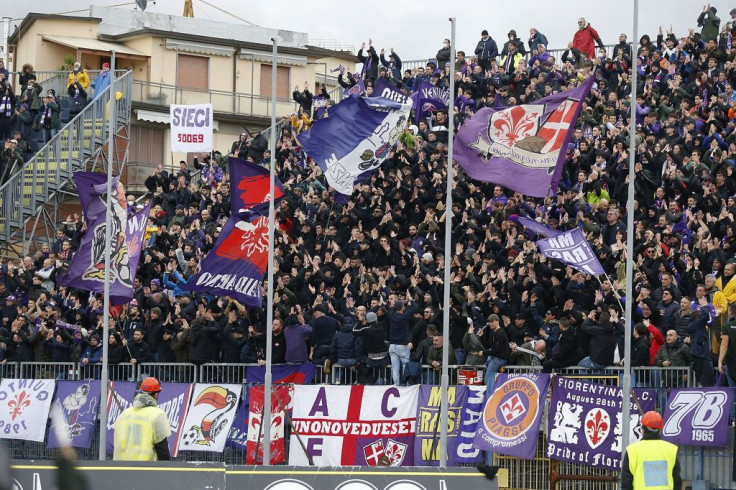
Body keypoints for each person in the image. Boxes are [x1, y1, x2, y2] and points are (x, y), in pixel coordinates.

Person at [113, 376, 171, 461]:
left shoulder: (124, 414)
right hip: (145, 469)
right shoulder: (158, 415)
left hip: (120, 468)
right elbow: (162, 449)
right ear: (156, 395)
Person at [621, 411, 681, 490]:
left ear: (643, 428)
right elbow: (676, 482)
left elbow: (626, 484)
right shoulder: (671, 450)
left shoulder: (632, 450)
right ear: (659, 429)